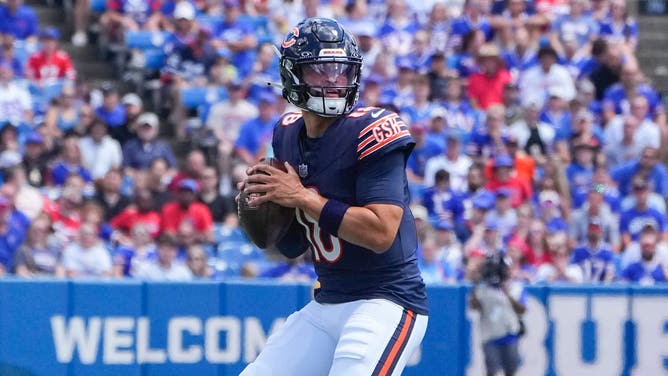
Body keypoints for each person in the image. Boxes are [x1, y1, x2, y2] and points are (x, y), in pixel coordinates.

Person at [239, 18, 428, 376]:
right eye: (320, 71)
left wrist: (301, 197)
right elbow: (294, 245)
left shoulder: (372, 130)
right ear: (292, 75)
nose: (331, 81)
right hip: (328, 300)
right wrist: (267, 207)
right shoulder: (286, 134)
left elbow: (380, 233)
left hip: (386, 300)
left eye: (340, 72)